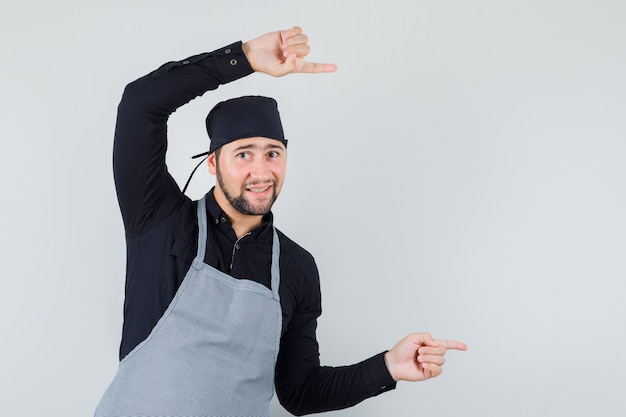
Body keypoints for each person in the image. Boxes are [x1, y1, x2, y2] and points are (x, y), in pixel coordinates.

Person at [95, 26, 467, 417]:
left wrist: (387, 367)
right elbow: (140, 103)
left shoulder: (296, 267)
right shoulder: (158, 219)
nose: (261, 171)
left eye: (273, 153)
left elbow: (299, 392)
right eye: (243, 154)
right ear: (211, 163)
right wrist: (244, 57)